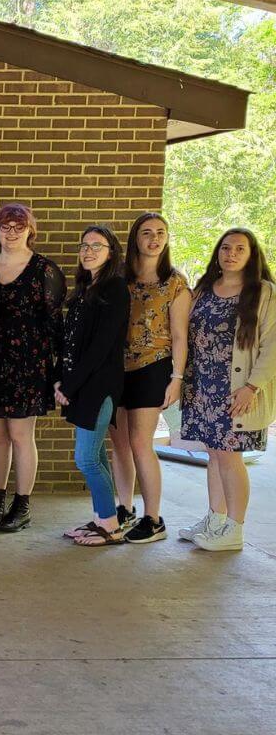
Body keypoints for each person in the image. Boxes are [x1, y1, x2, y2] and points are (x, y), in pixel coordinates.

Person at [179, 228, 276, 551]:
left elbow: (272, 347)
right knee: (214, 454)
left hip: (236, 391)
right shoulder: (205, 289)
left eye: (239, 249)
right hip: (203, 387)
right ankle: (215, 520)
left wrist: (252, 387)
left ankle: (234, 529)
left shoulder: (263, 292)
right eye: (225, 248)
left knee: (229, 457)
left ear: (252, 255)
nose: (231, 254)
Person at [0, 204, 66, 532]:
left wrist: (58, 372)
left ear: (30, 231)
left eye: (18, 227)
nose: (11, 233)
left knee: (21, 435)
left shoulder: (45, 270)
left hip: (29, 364)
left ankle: (22, 505)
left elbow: (55, 325)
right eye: (5, 227)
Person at [108, 213, 190, 544]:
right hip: (115, 368)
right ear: (135, 238)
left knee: (141, 443)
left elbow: (180, 336)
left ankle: (153, 518)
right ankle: (124, 509)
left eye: (160, 232)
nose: (154, 238)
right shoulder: (118, 277)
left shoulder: (175, 283)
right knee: (119, 444)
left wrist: (177, 378)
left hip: (153, 367)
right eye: (146, 233)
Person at [56, 225, 130, 546]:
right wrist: (60, 378)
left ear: (111, 252)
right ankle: (102, 518)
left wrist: (69, 386)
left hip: (98, 386)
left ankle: (111, 527)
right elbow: (71, 342)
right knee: (96, 456)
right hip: (81, 385)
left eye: (96, 245)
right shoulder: (86, 288)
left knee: (85, 459)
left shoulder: (115, 288)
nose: (88, 251)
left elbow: (101, 347)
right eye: (84, 245)